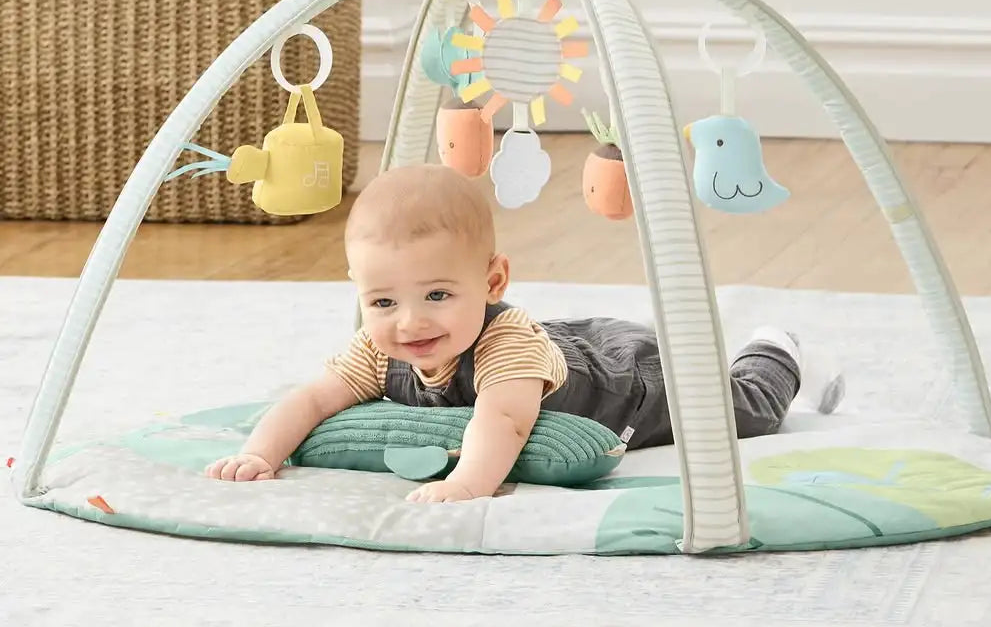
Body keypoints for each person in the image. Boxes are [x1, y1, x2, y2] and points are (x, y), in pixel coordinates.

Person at [205, 164, 843, 501]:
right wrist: (261, 454)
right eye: (382, 301)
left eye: (437, 295)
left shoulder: (503, 346)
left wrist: (466, 485)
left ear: (493, 281)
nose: (410, 321)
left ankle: (777, 351)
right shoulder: (378, 346)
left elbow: (505, 422)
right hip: (564, 344)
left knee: (742, 412)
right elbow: (311, 400)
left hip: (630, 384)